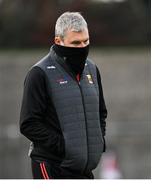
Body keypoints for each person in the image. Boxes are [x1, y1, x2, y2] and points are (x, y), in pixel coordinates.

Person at [20, 12, 107, 179]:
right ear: (58, 41)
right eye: (76, 43)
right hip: (52, 166)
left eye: (86, 41)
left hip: (84, 169)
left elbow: (100, 113)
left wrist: (98, 142)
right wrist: (64, 146)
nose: (82, 47)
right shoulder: (39, 73)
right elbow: (28, 124)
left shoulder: (92, 70)